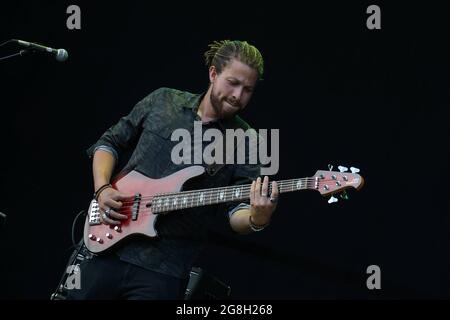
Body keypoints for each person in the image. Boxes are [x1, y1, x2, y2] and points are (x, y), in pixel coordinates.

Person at [66, 40, 279, 300]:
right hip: (105, 247)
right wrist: (102, 188)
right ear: (213, 73)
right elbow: (109, 143)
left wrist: (258, 218)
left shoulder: (248, 140)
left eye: (248, 89)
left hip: (163, 270)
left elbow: (237, 213)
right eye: (232, 83)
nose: (238, 95)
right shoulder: (163, 100)